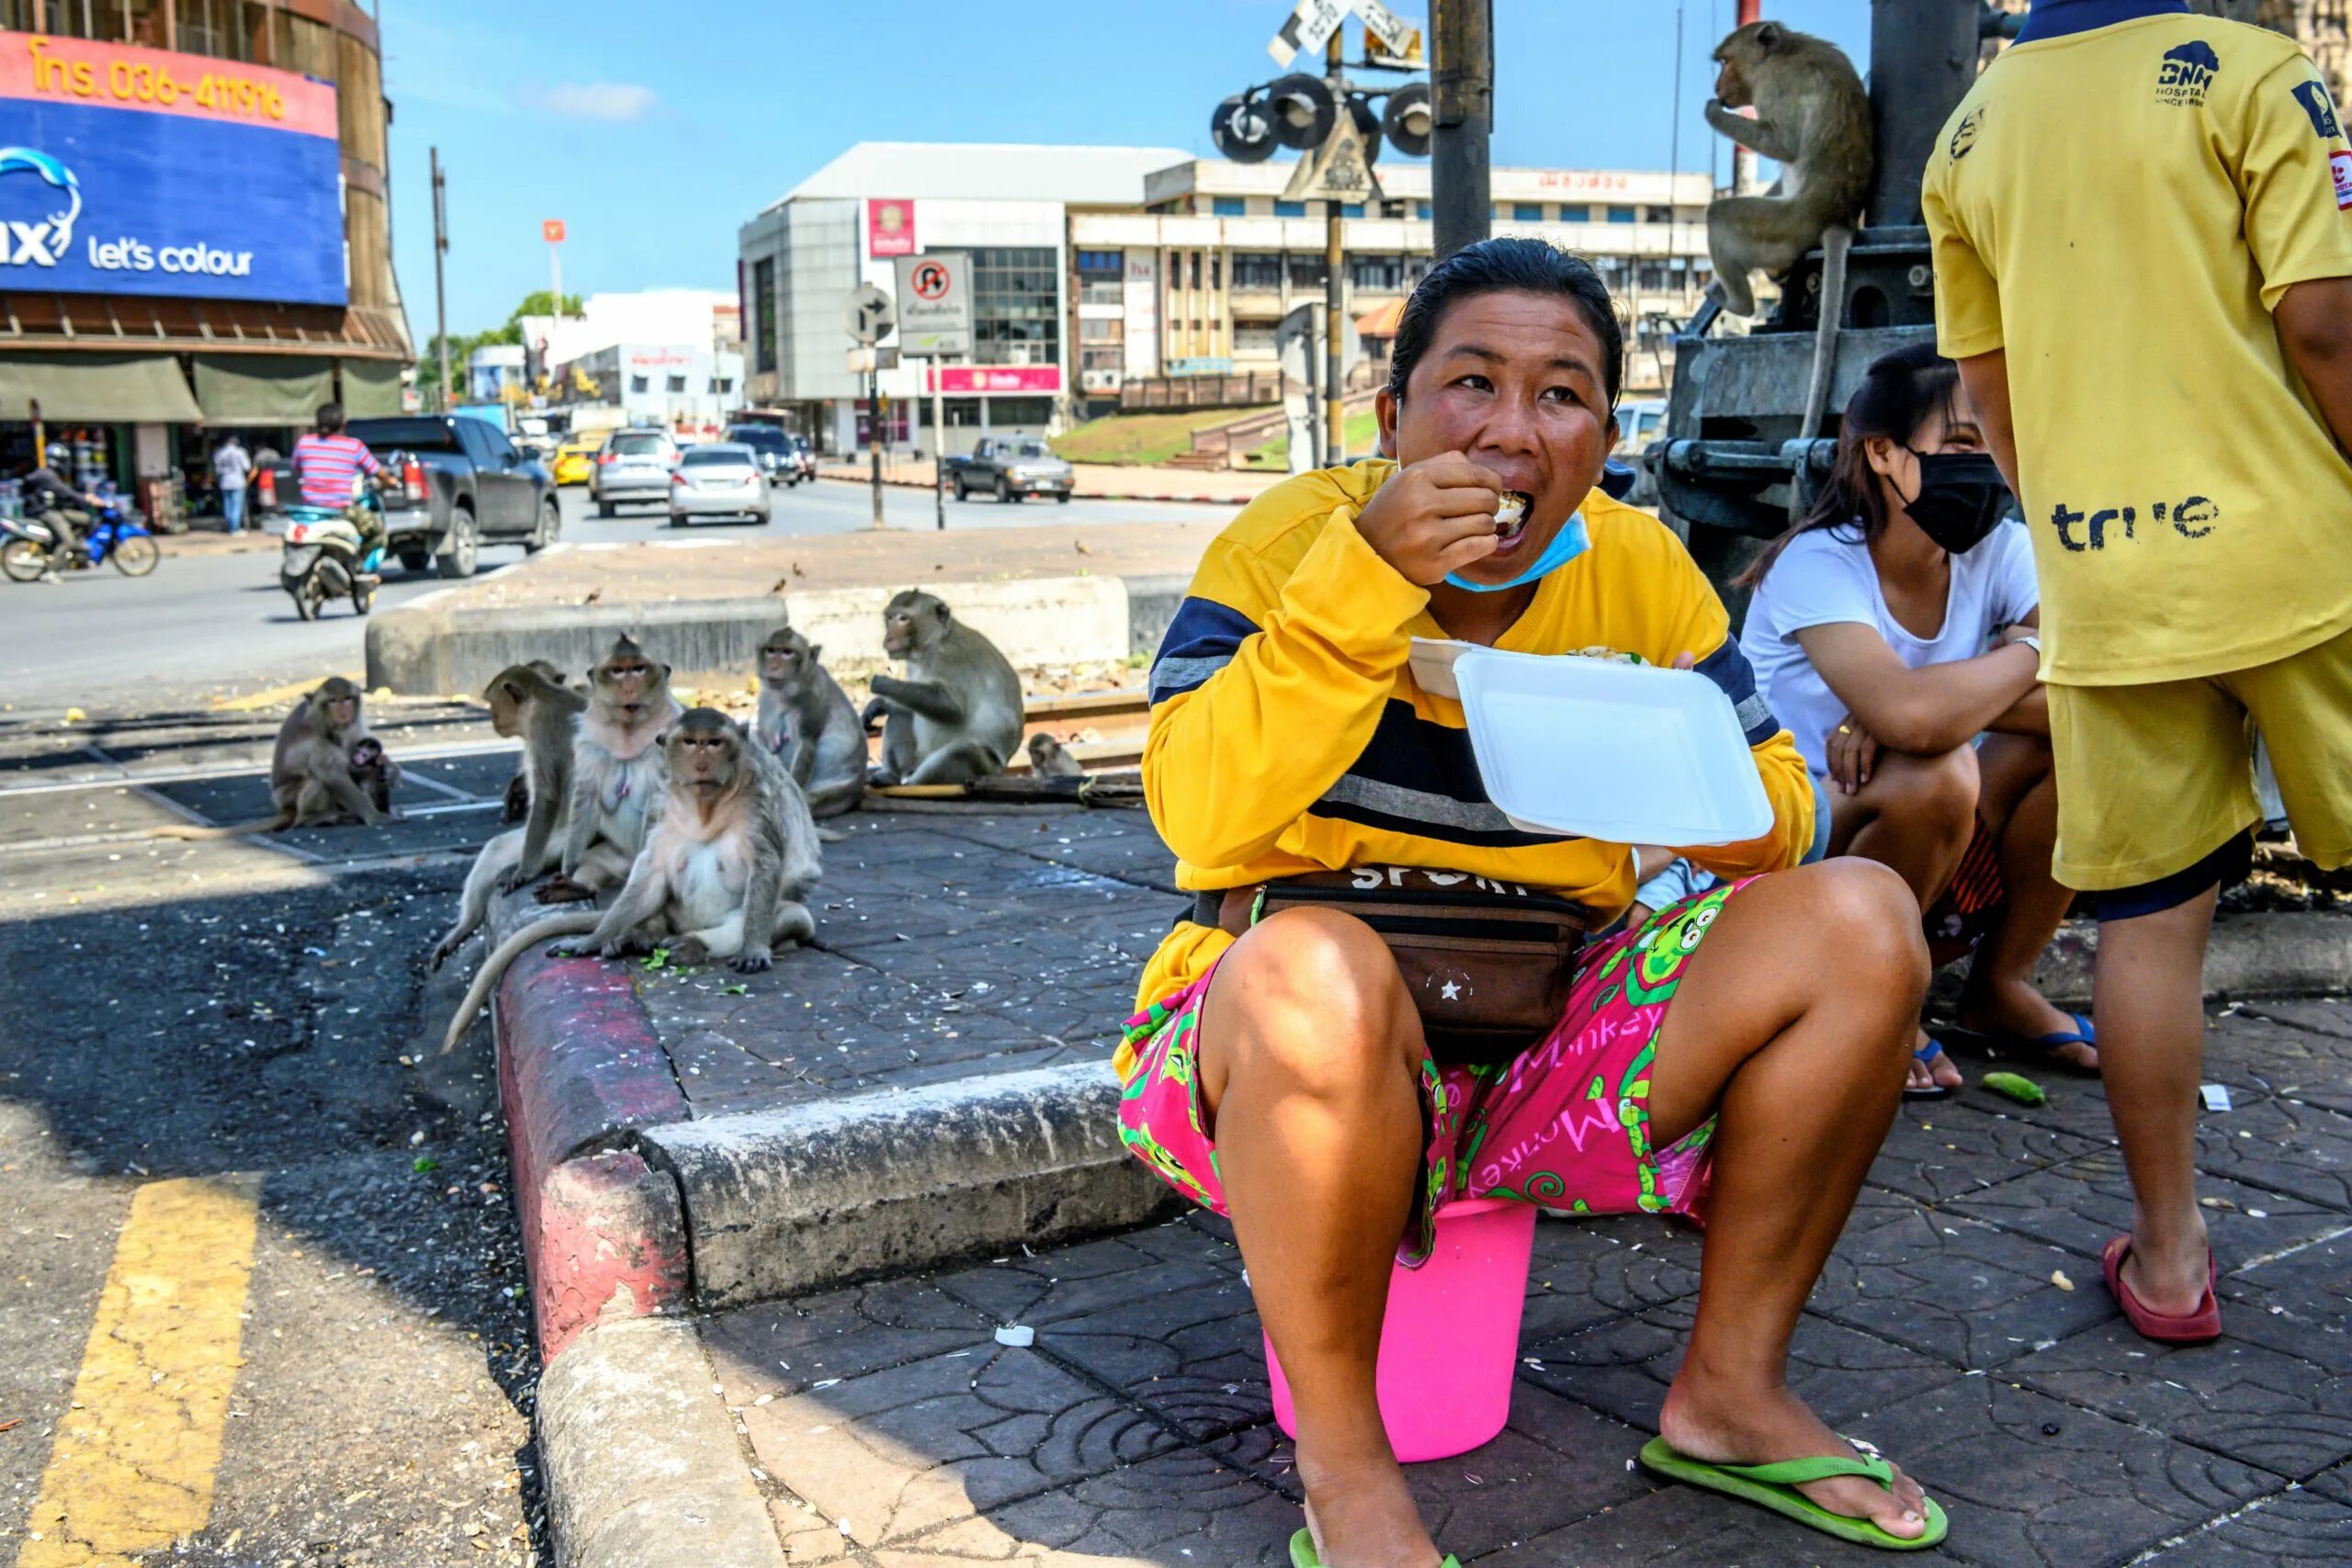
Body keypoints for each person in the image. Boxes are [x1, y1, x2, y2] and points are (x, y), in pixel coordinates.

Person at [1120, 239, 1944, 1566]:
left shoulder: (1640, 565)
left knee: (1863, 914)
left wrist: (1686, 778)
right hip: (1292, 1032)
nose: (1511, 430)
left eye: (1562, 394)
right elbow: (1194, 814)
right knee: (1310, 968)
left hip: (1553, 1026)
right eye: (1470, 384)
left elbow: (1785, 800)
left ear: (1605, 435)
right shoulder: (1285, 543)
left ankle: (1730, 1388)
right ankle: (1346, 1469)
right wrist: (1363, 587)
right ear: (1390, 415)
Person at [1924, 2, 2352, 1343]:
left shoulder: (1970, 135)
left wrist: (2081, 520)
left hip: (2107, 577)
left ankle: (2170, 1259)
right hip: (2302, 557)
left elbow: (1986, 393)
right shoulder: (2255, 73)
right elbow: (2329, 323)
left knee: (2155, 923)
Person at [1732, 344, 2095, 1096]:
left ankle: (2000, 985)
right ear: (1885, 454)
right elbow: (1913, 721)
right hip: (1800, 837)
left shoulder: (1999, 550)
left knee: (2088, 744)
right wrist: (2035, 645)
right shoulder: (1817, 565)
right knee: (1934, 769)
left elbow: (2094, 689)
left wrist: (1926, 701)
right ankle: (1878, 998)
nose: (1990, 459)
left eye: (1999, 437)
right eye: (1964, 441)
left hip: (1932, 842)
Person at [21, 441, 101, 584]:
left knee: (85, 519)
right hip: (45, 512)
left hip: (55, 509)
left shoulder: (52, 474)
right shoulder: (46, 475)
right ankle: (50, 572)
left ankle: (78, 554)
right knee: (67, 540)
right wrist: (85, 498)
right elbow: (65, 492)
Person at [211, 434, 252, 534]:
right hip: (238, 481)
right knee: (237, 506)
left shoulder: (220, 453)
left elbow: (217, 470)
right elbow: (247, 467)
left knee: (228, 505)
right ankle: (235, 529)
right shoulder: (240, 452)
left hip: (225, 481)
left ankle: (230, 527)